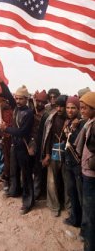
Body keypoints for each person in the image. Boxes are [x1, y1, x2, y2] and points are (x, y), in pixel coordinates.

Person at [0, 85, 34, 215]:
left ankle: (28, 202)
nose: (18, 101)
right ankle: (14, 191)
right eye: (16, 98)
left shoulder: (29, 113)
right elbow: (7, 94)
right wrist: (0, 80)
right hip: (15, 145)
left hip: (24, 147)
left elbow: (22, 132)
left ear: (26, 99)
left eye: (21, 99)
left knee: (26, 175)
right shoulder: (16, 108)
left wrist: (6, 129)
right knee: (14, 170)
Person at [42, 95, 70, 217]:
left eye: (62, 106)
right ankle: (54, 206)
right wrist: (47, 154)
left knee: (67, 181)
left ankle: (69, 206)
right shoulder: (51, 119)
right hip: (53, 154)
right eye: (57, 106)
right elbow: (47, 138)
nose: (59, 109)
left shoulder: (72, 120)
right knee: (52, 181)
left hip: (67, 155)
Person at [76, 92, 95, 251]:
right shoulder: (89, 122)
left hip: (91, 174)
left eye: (84, 108)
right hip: (87, 171)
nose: (81, 111)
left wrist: (89, 162)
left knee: (89, 211)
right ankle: (85, 234)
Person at [63, 96, 85, 229]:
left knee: (81, 195)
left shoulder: (83, 123)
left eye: (73, 108)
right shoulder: (68, 122)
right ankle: (75, 219)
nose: (70, 110)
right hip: (68, 163)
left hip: (78, 165)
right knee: (72, 192)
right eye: (68, 108)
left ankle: (84, 226)